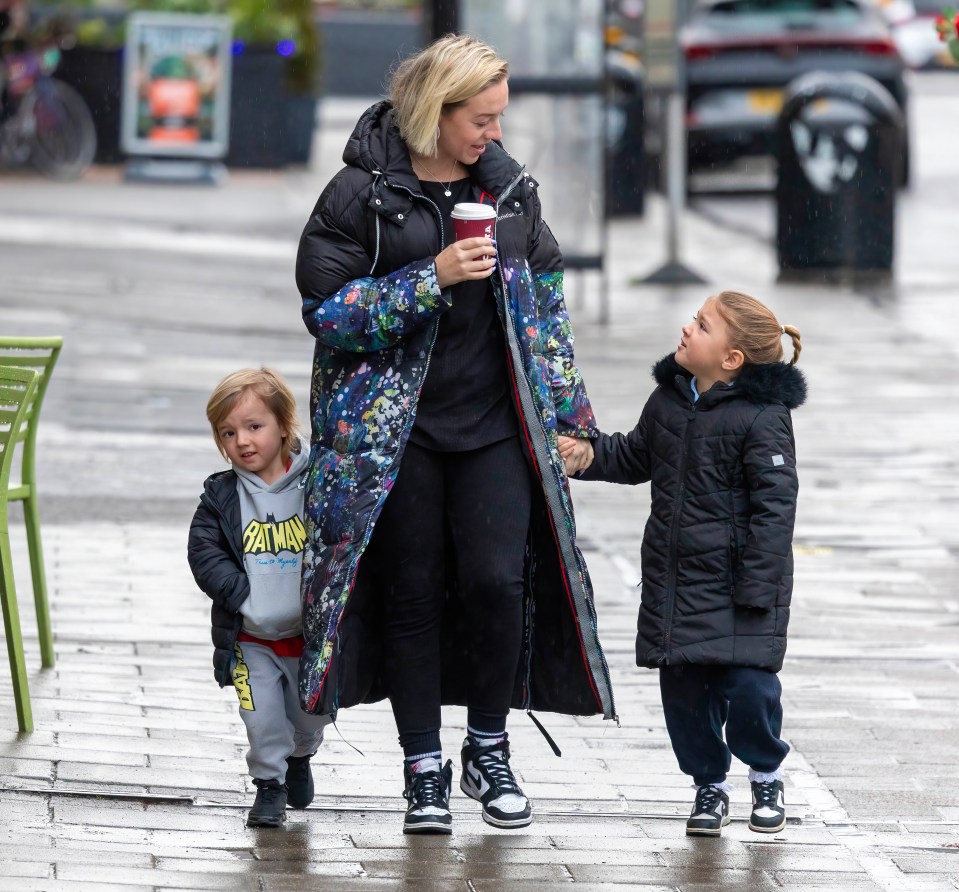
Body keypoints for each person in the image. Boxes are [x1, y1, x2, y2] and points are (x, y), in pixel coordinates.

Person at [294, 33, 615, 835]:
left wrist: (572, 424)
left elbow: (545, 319)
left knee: (494, 584)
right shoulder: (359, 194)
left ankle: (486, 745)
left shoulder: (510, 197)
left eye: (499, 118)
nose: (493, 135)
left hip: (494, 427)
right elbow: (328, 316)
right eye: (480, 119)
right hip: (390, 439)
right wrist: (426, 279)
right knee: (408, 592)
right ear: (433, 112)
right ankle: (422, 768)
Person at [560, 291, 805, 837]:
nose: (687, 329)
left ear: (732, 358)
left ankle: (765, 771)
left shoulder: (763, 418)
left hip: (743, 588)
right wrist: (588, 455)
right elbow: (635, 455)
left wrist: (759, 585)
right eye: (694, 319)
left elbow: (776, 506)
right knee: (685, 697)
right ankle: (708, 785)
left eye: (702, 324)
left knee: (750, 691)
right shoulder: (669, 401)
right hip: (679, 584)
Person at [187, 368, 331, 829]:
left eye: (254, 426)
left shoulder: (319, 485)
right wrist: (242, 597)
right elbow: (204, 551)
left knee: (310, 718)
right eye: (228, 433)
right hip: (252, 637)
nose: (242, 441)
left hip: (309, 638)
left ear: (285, 425)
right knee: (261, 717)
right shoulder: (222, 495)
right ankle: (269, 786)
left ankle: (300, 759)